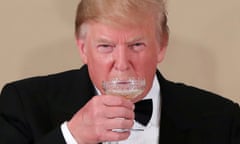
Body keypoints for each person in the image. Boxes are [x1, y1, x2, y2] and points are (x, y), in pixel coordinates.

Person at [0, 0, 240, 143]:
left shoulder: (222, 119)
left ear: (162, 46)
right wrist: (72, 137)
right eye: (106, 46)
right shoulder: (24, 102)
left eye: (137, 45)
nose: (122, 64)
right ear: (83, 48)